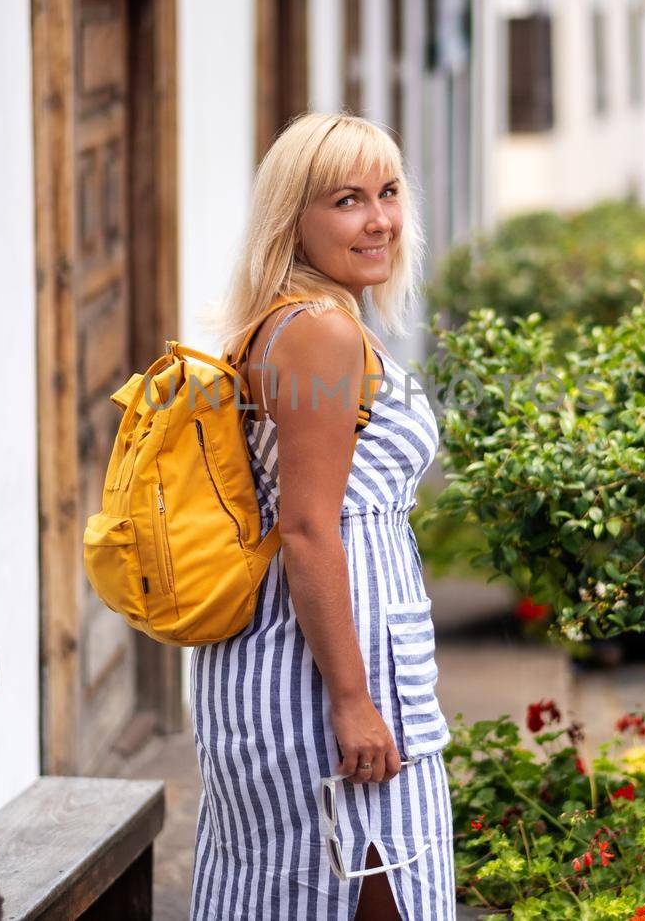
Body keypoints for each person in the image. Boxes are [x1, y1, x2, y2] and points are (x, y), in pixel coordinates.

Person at [190, 113, 454, 919]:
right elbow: (309, 527)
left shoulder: (312, 319)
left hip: (309, 665)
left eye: (388, 191)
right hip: (317, 680)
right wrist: (350, 698)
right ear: (293, 219)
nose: (378, 218)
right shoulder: (320, 333)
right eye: (347, 199)